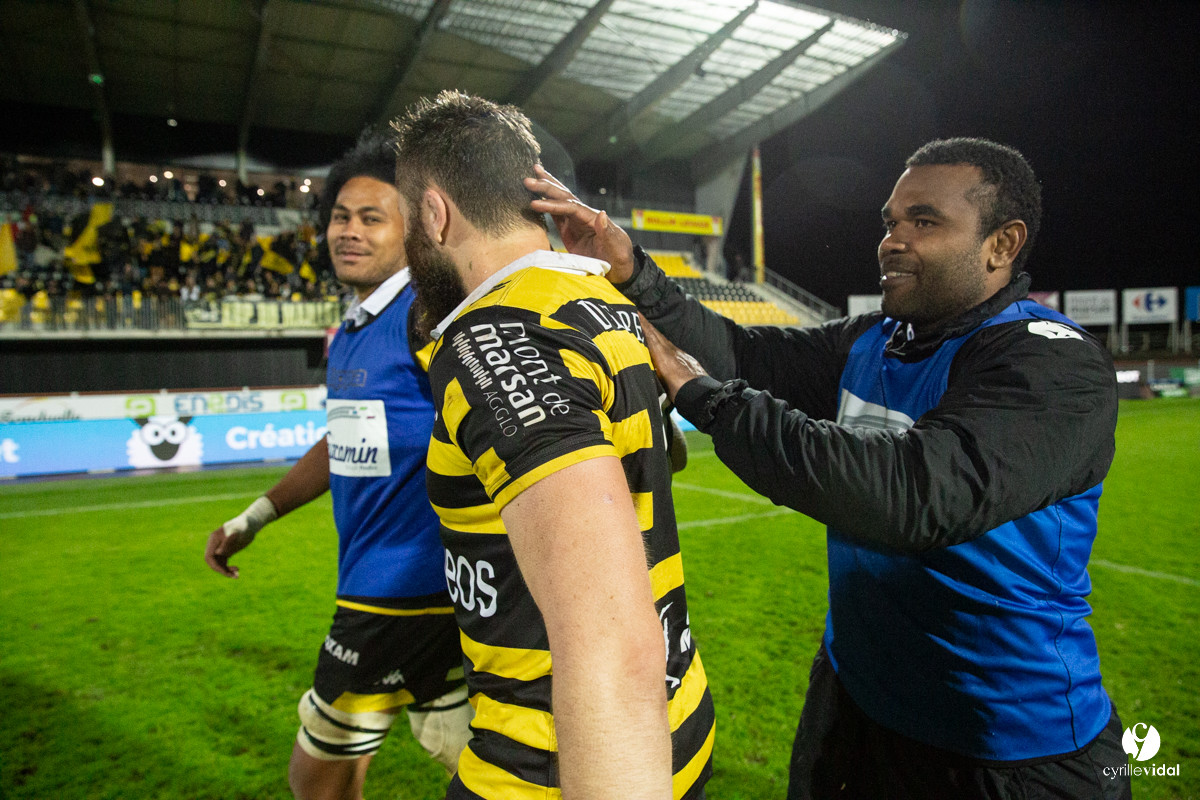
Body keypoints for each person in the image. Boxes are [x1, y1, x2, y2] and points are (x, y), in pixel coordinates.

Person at [528, 137, 1131, 799]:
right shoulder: (874, 339)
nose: (893, 241)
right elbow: (744, 354)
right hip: (854, 702)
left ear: (1002, 243)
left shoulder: (1051, 365)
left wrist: (701, 396)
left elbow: (913, 496)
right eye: (890, 222)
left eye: (924, 222)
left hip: (1007, 746)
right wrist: (633, 271)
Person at [391, 90, 714, 800]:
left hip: (554, 762)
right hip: (677, 722)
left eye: (408, 220)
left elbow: (609, 645)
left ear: (436, 214)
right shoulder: (600, 306)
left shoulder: (494, 338)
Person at [202, 130, 472, 800]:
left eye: (371, 219)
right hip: (406, 591)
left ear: (413, 231)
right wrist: (255, 516)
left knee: (317, 777)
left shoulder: (424, 317)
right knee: (483, 766)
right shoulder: (355, 326)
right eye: (340, 217)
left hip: (400, 593)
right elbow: (343, 440)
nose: (348, 232)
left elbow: (493, 424)